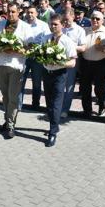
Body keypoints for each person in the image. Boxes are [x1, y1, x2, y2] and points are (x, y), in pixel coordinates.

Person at [0, 3, 31, 139]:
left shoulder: (25, 27)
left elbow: (29, 47)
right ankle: (7, 120)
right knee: (5, 96)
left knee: (13, 96)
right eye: (9, 11)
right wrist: (1, 48)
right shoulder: (0, 24)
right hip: (1, 64)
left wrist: (14, 49)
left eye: (14, 12)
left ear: (19, 12)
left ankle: (11, 125)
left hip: (16, 66)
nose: (11, 14)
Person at [39, 14, 77, 147]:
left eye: (55, 24)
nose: (53, 26)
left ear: (62, 25)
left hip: (59, 74)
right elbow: (41, 54)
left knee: (56, 104)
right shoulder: (46, 38)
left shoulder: (67, 41)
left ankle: (52, 132)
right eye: (51, 24)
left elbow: (72, 62)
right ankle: (54, 125)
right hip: (47, 73)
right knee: (49, 103)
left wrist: (58, 62)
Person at [81, 11, 105, 117]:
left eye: (98, 19)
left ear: (103, 21)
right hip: (86, 63)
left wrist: (103, 49)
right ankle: (87, 110)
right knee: (85, 88)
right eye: (93, 18)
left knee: (99, 88)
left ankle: (102, 105)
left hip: (100, 64)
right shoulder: (84, 30)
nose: (95, 20)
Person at [19, 6, 50, 110]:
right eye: (28, 13)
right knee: (20, 81)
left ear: (37, 13)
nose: (30, 15)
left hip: (37, 58)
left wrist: (38, 47)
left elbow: (47, 41)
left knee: (36, 83)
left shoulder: (43, 25)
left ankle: (35, 104)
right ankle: (18, 105)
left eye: (32, 12)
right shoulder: (22, 24)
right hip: (24, 56)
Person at [61, 9, 86, 118]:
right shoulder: (61, 28)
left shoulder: (79, 30)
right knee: (58, 85)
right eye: (64, 20)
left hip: (71, 61)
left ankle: (65, 109)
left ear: (73, 17)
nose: (65, 22)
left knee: (69, 87)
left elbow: (83, 47)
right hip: (58, 61)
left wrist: (70, 47)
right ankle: (57, 107)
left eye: (67, 20)